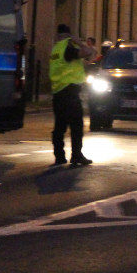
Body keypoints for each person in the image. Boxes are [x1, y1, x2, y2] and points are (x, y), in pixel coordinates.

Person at [49, 24, 96, 167]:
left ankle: (59, 156)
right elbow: (88, 52)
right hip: (70, 93)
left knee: (59, 126)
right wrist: (78, 41)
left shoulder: (55, 49)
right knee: (76, 126)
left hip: (58, 93)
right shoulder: (68, 48)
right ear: (69, 35)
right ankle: (76, 155)